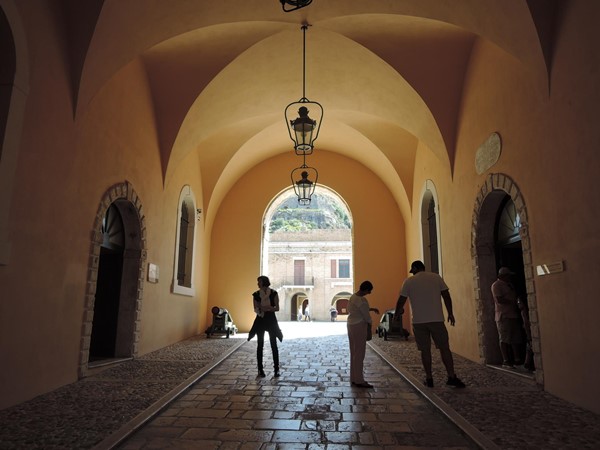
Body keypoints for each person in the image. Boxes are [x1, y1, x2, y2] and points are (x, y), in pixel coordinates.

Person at [393, 260, 466, 388]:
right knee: (444, 349)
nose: (412, 272)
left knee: (425, 351)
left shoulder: (409, 281)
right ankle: (451, 376)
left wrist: (397, 314)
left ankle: (429, 378)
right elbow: (446, 295)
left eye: (413, 270)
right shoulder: (436, 277)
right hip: (437, 319)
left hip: (419, 321)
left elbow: (401, 300)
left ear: (415, 268)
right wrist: (450, 313)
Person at [248, 276, 283, 378]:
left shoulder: (274, 293)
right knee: (260, 345)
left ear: (264, 282)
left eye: (259, 282)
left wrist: (264, 308)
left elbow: (277, 308)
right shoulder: (256, 294)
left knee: (274, 345)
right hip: (260, 320)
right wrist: (267, 308)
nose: (258, 284)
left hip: (271, 320)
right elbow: (255, 308)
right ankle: (260, 369)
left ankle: (276, 369)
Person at [347, 280, 379, 388]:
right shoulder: (362, 300)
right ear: (365, 289)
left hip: (351, 325)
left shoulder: (353, 297)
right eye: (369, 291)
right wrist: (370, 328)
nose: (369, 293)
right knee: (360, 353)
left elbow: (358, 309)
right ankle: (360, 380)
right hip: (359, 326)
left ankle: (354, 378)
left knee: (354, 352)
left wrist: (371, 308)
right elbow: (366, 316)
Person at [491, 267, 524, 368]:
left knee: (515, 337)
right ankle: (506, 360)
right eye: (508, 275)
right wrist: (514, 302)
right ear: (503, 276)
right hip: (503, 315)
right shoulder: (496, 285)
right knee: (504, 339)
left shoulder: (509, 285)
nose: (509, 277)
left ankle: (517, 359)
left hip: (513, 314)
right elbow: (499, 300)